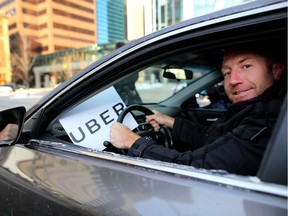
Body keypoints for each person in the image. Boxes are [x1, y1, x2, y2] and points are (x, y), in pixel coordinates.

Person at [109, 44, 286, 176]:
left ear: (277, 70)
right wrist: (171, 122)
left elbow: (196, 167)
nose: (233, 80)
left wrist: (132, 142)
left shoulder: (268, 120)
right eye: (226, 73)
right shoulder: (253, 108)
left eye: (246, 66)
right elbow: (213, 137)